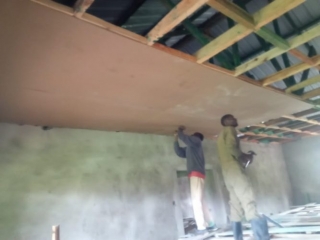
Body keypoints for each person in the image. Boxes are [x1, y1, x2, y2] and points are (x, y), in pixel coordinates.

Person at [217, 114, 270, 240]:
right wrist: (244, 157)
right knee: (248, 198)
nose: (235, 119)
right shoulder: (230, 130)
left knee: (235, 204)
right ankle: (261, 237)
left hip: (227, 172)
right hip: (235, 170)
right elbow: (231, 147)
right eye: (232, 118)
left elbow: (229, 150)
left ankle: (238, 237)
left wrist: (244, 155)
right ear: (226, 121)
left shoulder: (220, 136)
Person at [174, 126, 215, 236]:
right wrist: (175, 139)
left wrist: (180, 131)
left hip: (196, 174)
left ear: (196, 137)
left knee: (196, 201)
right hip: (197, 174)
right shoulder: (190, 149)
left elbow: (186, 139)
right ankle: (210, 224)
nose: (191, 137)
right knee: (200, 201)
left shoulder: (196, 142)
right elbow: (179, 152)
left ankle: (201, 228)